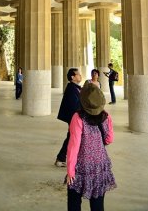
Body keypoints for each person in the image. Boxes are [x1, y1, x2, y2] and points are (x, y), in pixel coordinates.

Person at [66, 82, 116, 211]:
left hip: (81, 166)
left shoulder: (78, 118)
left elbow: (74, 146)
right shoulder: (106, 116)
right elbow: (109, 139)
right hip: (100, 165)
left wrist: (70, 170)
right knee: (98, 203)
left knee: (74, 201)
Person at [55, 68, 82, 167]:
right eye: (78, 74)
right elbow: (73, 106)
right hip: (74, 118)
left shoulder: (75, 87)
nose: (80, 76)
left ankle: (61, 158)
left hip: (75, 118)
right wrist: (72, 122)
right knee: (72, 138)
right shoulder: (71, 88)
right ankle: (62, 158)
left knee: (71, 138)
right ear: (72, 77)